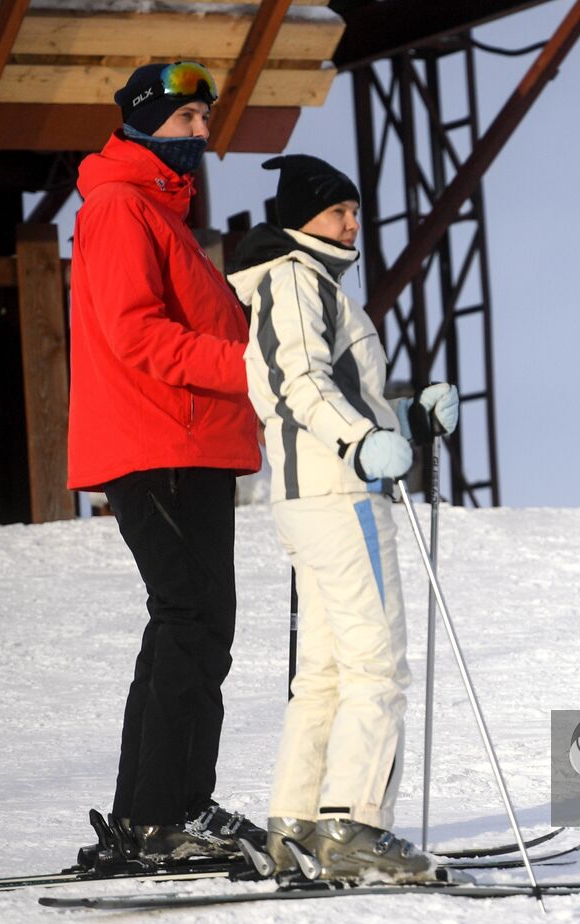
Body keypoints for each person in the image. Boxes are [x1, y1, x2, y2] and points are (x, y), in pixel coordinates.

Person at [228, 154, 460, 882]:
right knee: (376, 665)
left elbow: (341, 394)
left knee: (326, 670)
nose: (352, 224)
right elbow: (299, 381)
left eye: (355, 211)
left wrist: (409, 421)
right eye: (338, 212)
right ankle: (355, 825)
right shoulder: (296, 278)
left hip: (314, 495)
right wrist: (362, 444)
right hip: (339, 494)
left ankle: (295, 825)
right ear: (302, 217)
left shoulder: (305, 282)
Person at [66, 61, 263, 860]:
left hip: (183, 443)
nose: (201, 135)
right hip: (160, 443)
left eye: (205, 122)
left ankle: (151, 812)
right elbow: (136, 334)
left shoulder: (157, 212)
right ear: (146, 122)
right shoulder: (121, 209)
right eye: (187, 121)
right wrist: (251, 367)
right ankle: (167, 814)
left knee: (187, 621)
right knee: (193, 622)